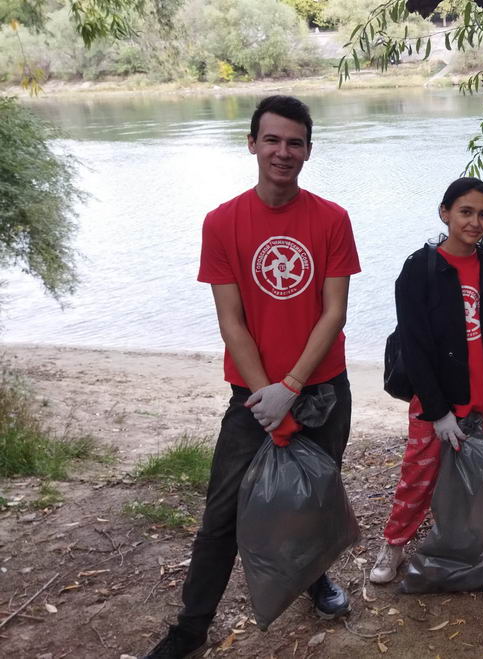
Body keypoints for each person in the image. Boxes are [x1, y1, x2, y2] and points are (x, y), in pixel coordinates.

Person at [144, 96, 361, 658]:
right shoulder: (222, 222)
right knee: (220, 518)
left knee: (311, 500)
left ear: (308, 151)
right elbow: (230, 320)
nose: (282, 152)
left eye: (294, 142)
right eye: (272, 140)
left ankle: (313, 581)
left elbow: (333, 312)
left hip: (321, 391)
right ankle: (191, 628)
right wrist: (267, 394)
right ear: (252, 144)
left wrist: (290, 388)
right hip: (252, 395)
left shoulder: (332, 219)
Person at [368, 177, 483, 584]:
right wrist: (438, 411)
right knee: (417, 476)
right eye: (466, 212)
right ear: (445, 213)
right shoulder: (419, 269)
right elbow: (416, 346)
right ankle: (394, 545)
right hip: (437, 399)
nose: (475, 222)